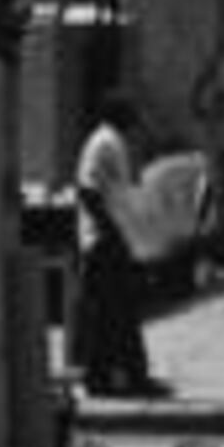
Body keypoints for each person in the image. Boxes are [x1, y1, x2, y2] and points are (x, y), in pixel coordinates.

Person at [69, 91, 159, 400]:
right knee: (112, 312)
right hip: (105, 241)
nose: (137, 122)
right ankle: (118, 377)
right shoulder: (106, 142)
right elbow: (89, 191)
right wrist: (115, 234)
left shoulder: (110, 142)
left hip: (110, 237)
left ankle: (122, 375)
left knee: (116, 312)